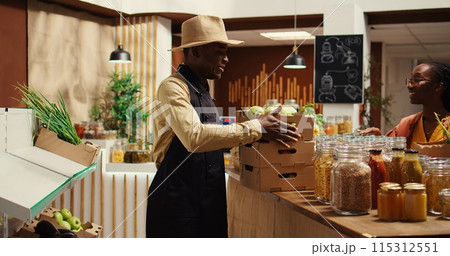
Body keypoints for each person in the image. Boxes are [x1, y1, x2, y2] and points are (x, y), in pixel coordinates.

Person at [146, 15, 300, 238]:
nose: (226, 59)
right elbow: (194, 137)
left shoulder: (205, 91)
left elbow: (213, 138)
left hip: (210, 202)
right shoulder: (173, 88)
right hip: (177, 206)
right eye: (220, 52)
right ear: (196, 51)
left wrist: (263, 137)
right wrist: (256, 128)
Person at [358, 61, 450, 148]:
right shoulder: (408, 124)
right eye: (410, 80)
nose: (409, 85)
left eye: (417, 80)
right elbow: (392, 156)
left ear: (438, 86)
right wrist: (380, 140)